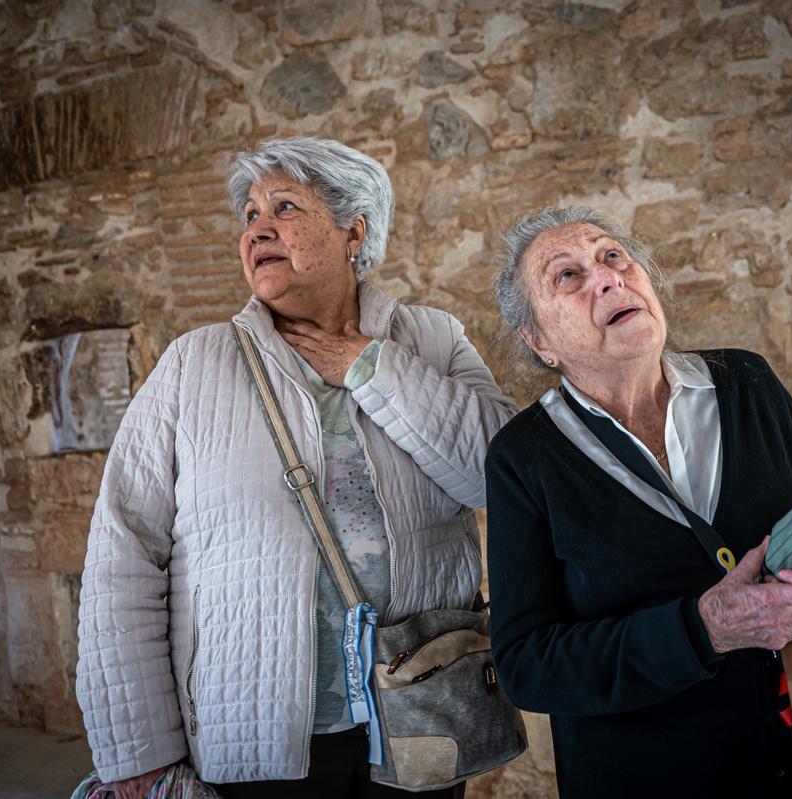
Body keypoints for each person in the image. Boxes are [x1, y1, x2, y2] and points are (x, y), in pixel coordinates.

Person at [76, 137, 515, 798]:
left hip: (421, 713)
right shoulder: (193, 366)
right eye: (250, 215)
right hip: (257, 737)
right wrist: (137, 751)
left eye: (284, 206)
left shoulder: (431, 338)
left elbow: (495, 474)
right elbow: (122, 556)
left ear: (353, 230)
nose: (258, 229)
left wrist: (368, 365)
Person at [484, 206, 792, 798]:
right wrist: (701, 630)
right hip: (647, 777)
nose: (608, 278)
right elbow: (528, 666)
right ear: (540, 341)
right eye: (567, 277)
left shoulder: (745, 384)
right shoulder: (524, 456)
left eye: (612, 256)